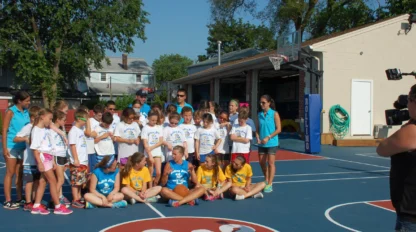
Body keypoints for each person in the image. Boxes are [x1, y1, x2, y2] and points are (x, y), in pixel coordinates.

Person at [377, 84, 416, 231]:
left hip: (411, 214)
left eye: (409, 101)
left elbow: (382, 149)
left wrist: (407, 125)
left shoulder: (411, 132)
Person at [30, 108, 73, 215]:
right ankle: (58, 206)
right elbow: (35, 149)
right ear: (42, 117)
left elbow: (49, 144)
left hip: (48, 157)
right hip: (43, 158)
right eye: (49, 119)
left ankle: (36, 205)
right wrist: (39, 162)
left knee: (43, 181)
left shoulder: (44, 129)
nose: (50, 121)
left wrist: (53, 160)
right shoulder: (36, 130)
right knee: (53, 181)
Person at [2, 91, 30, 209]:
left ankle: (19, 197)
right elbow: (4, 130)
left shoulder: (26, 112)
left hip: (22, 147)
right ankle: (8, 200)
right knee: (10, 173)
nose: (29, 103)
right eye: (27, 101)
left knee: (20, 174)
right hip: (11, 146)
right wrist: (4, 148)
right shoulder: (10, 112)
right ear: (19, 101)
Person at [13, 106, 41, 211]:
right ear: (32, 117)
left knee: (37, 181)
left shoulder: (40, 128)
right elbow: (15, 138)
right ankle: (28, 201)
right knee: (29, 182)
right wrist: (25, 138)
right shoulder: (28, 127)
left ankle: (34, 200)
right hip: (29, 160)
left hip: (38, 160)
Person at [256, 95, 281, 193]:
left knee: (271, 163)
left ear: (269, 103)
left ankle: (270, 183)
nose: (261, 104)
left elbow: (279, 129)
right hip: (262, 143)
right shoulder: (259, 114)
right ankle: (266, 179)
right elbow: (257, 128)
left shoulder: (274, 114)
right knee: (262, 162)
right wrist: (257, 137)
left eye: (263, 102)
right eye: (260, 102)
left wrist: (268, 137)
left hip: (272, 142)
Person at [68, 109, 89, 208]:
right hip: (78, 161)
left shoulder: (81, 130)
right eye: (85, 120)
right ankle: (75, 199)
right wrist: (76, 159)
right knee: (75, 182)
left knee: (80, 181)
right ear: (78, 119)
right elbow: (72, 145)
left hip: (83, 160)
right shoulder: (73, 131)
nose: (86, 122)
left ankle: (79, 196)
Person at [50, 110, 71, 206]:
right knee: (61, 180)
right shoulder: (52, 131)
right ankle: (54, 200)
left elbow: (64, 145)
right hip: (57, 156)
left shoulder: (60, 130)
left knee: (59, 180)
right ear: (58, 120)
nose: (65, 122)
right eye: (64, 120)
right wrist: (53, 159)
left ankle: (57, 197)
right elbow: (52, 146)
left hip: (62, 156)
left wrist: (66, 160)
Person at [141, 110, 164, 186]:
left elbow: (161, 141)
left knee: (158, 172)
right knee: (150, 172)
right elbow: (145, 143)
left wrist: (152, 147)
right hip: (149, 153)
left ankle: (155, 186)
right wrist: (150, 154)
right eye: (152, 120)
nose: (154, 122)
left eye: (156, 120)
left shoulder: (159, 127)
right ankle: (150, 188)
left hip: (157, 152)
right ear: (148, 118)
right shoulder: (145, 128)